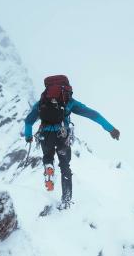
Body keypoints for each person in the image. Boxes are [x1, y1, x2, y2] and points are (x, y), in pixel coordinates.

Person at [24, 75, 120, 209]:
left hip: (45, 135)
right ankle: (66, 200)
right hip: (62, 136)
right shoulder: (69, 101)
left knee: (48, 157)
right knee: (65, 167)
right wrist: (110, 129)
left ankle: (49, 167)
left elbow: (28, 121)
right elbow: (93, 114)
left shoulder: (41, 102)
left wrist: (28, 136)